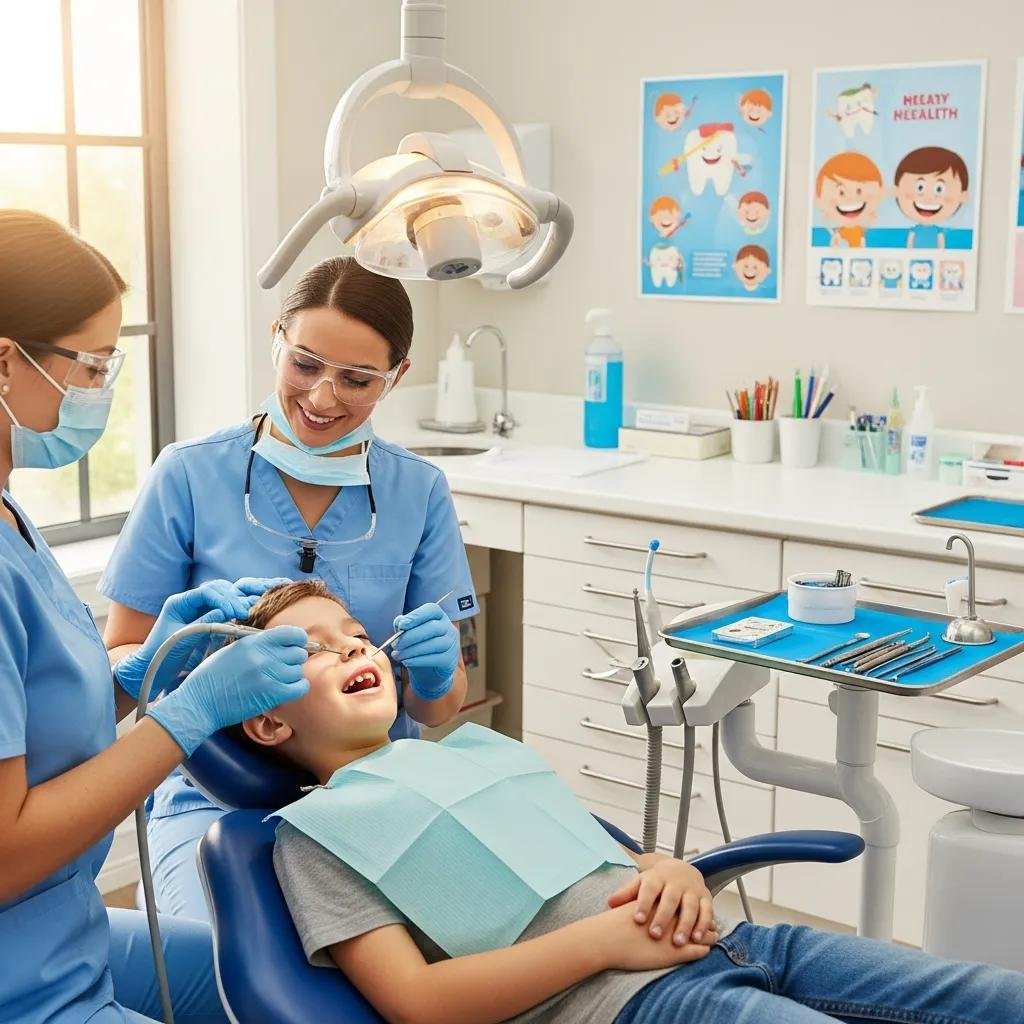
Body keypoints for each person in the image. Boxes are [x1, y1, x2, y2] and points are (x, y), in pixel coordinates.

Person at [233, 579, 1024, 1024]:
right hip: (634, 1002)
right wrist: (605, 945)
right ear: (268, 719)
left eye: (353, 631)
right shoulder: (314, 836)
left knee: (994, 997)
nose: (351, 647)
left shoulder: (476, 756)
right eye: (310, 649)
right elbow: (419, 1004)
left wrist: (673, 868)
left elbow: (608, 862)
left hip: (741, 941)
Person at [0, 209, 312, 1023]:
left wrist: (142, 670)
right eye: (92, 363)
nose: (102, 386)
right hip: (16, 969)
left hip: (63, 925)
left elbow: (32, 726)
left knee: (265, 981)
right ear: (5, 360)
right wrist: (186, 714)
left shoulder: (11, 516)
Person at [99, 255, 477, 923]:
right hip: (212, 797)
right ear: (277, 337)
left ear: (397, 377)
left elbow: (442, 703)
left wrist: (436, 669)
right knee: (214, 962)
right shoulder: (188, 475)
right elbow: (125, 659)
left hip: (375, 789)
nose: (324, 398)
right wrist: (165, 660)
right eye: (304, 365)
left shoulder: (418, 492)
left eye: (358, 379)